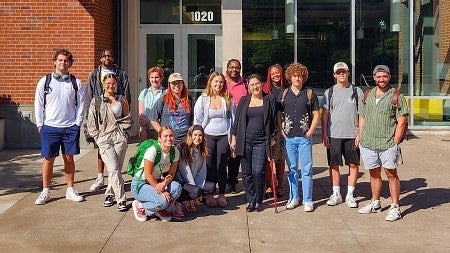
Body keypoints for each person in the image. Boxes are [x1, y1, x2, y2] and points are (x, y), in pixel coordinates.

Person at [34, 48, 86, 205]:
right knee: (48, 159)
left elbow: (81, 104)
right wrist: (40, 124)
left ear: (70, 63)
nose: (63, 63)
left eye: (66, 60)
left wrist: (77, 123)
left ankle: (70, 189)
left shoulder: (75, 82)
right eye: (60, 60)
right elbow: (38, 103)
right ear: (55, 62)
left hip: (70, 126)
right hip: (50, 126)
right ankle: (45, 191)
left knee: (69, 158)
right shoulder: (45, 81)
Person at [357, 65, 408, 222]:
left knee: (391, 174)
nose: (381, 79)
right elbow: (362, 117)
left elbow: (402, 121)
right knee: (374, 173)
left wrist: (395, 141)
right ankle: (375, 202)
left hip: (387, 143)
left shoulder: (396, 96)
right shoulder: (367, 95)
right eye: (378, 77)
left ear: (389, 77)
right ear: (374, 77)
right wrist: (360, 135)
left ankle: (395, 207)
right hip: (368, 142)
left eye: (384, 76)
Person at [230, 73, 277, 212]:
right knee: (246, 172)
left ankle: (259, 199)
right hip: (245, 139)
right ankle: (251, 199)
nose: (255, 87)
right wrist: (233, 137)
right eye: (252, 85)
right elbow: (237, 121)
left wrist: (273, 137)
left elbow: (274, 121)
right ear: (248, 87)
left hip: (262, 139)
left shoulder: (270, 99)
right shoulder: (244, 100)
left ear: (261, 84)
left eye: (257, 83)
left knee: (258, 171)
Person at [86, 49, 131, 192]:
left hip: (117, 122)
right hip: (101, 119)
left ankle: (112, 190)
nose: (107, 58)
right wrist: (91, 118)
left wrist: (125, 129)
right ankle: (100, 177)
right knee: (102, 150)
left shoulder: (121, 74)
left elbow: (126, 94)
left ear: (113, 58)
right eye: (104, 56)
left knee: (116, 158)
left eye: (109, 56)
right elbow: (89, 95)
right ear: (100, 59)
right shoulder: (94, 74)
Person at [321, 62, 364, 208]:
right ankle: (336, 193)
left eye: (344, 72)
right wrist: (324, 133)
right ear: (334, 75)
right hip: (334, 135)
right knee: (334, 164)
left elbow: (361, 114)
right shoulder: (329, 92)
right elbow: (325, 114)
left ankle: (350, 195)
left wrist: (360, 133)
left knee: (353, 164)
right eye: (338, 72)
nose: (341, 74)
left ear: (348, 73)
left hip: (352, 135)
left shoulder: (357, 91)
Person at [278, 62, 320, 212]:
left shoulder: (309, 93)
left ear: (303, 77)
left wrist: (311, 130)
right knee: (293, 169)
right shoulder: (284, 94)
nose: (297, 79)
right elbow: (278, 113)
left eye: (300, 76)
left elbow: (316, 114)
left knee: (307, 169)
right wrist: (280, 128)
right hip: (289, 137)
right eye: (295, 76)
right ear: (290, 77)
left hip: (304, 137)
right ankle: (294, 197)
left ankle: (308, 200)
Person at [193, 72, 235, 208]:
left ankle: (222, 194)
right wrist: (197, 137)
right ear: (210, 82)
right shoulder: (203, 99)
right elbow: (197, 120)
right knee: (209, 165)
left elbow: (233, 119)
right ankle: (209, 194)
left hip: (224, 135)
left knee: (222, 165)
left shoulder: (228, 98)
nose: (218, 84)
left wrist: (233, 137)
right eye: (216, 81)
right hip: (208, 136)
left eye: (221, 82)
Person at [130, 126, 182, 222]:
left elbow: (171, 173)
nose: (168, 138)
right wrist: (162, 191)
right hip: (141, 183)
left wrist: (163, 184)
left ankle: (158, 209)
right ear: (159, 138)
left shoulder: (175, 152)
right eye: (165, 136)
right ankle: (140, 205)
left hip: (157, 182)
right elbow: (148, 174)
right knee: (162, 201)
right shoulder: (152, 151)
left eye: (171, 136)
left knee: (177, 187)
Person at [175, 125, 215, 212]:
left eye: (200, 135)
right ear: (190, 135)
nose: (197, 137)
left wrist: (199, 186)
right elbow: (186, 172)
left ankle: (192, 197)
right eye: (195, 135)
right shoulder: (183, 148)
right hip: (182, 181)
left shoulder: (201, 149)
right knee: (196, 191)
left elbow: (202, 171)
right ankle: (178, 201)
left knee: (211, 187)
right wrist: (196, 191)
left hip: (192, 181)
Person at [262, 64, 287, 199]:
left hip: (283, 128)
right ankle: (269, 185)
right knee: (269, 159)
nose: (276, 75)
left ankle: (279, 185)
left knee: (279, 159)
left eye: (278, 73)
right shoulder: (266, 89)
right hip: (269, 127)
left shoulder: (286, 89)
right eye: (273, 74)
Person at [150, 73, 194, 145]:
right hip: (168, 141)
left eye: (179, 83)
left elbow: (195, 118)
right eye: (173, 83)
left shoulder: (190, 100)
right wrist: (163, 133)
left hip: (186, 140)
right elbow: (153, 119)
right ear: (169, 85)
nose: (176, 85)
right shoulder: (163, 100)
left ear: (183, 84)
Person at [224, 59, 248, 193]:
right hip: (224, 122)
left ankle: (232, 182)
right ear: (227, 68)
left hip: (242, 122)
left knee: (236, 155)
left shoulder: (245, 83)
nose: (234, 69)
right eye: (231, 67)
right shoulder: (222, 83)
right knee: (223, 154)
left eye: (237, 67)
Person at [138, 66, 165, 141]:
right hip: (146, 129)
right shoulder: (144, 93)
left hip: (159, 128)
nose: (154, 80)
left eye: (157, 77)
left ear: (161, 78)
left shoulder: (165, 93)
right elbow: (141, 114)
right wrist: (143, 129)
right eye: (152, 77)